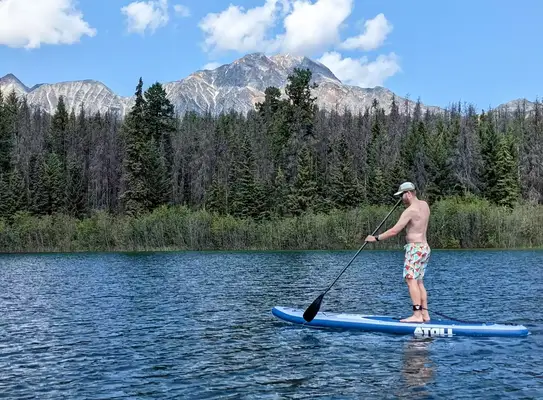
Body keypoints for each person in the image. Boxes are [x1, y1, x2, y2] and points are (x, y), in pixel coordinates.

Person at [365, 182, 431, 323]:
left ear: (408, 193)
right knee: (419, 281)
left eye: (402, 195)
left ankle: (417, 315)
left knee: (410, 280)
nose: (401, 199)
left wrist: (375, 238)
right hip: (425, 248)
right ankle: (425, 315)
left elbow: (394, 231)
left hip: (414, 249)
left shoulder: (410, 211)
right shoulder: (424, 205)